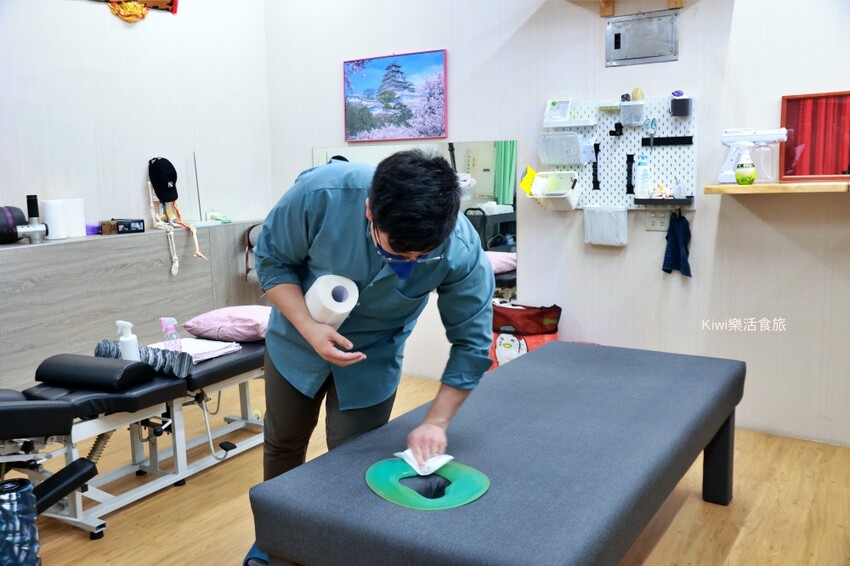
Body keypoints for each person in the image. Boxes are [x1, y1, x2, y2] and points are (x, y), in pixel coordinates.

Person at [254, 149, 495, 481]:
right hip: (296, 340)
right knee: (283, 443)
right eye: (396, 252)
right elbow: (272, 261)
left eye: (421, 257)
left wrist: (436, 422)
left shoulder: (461, 250)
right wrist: (309, 328)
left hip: (373, 356)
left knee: (353, 460)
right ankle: (275, 518)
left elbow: (472, 343)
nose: (407, 264)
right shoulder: (322, 193)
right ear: (370, 210)